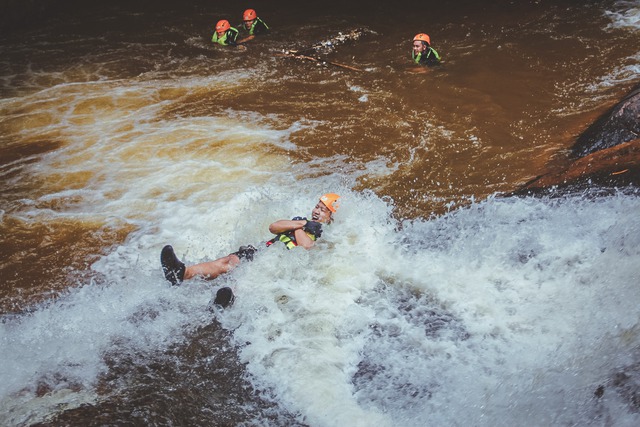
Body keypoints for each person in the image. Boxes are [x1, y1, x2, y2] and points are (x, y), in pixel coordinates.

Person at [160, 193, 341, 307]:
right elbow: (274, 226)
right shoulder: (302, 220)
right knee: (230, 260)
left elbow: (307, 246)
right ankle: (182, 273)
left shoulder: (327, 234)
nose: (317, 211)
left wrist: (298, 227)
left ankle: (226, 302)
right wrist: (302, 223)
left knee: (248, 277)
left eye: (323, 210)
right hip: (265, 251)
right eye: (317, 206)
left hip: (279, 264)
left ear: (331, 216)